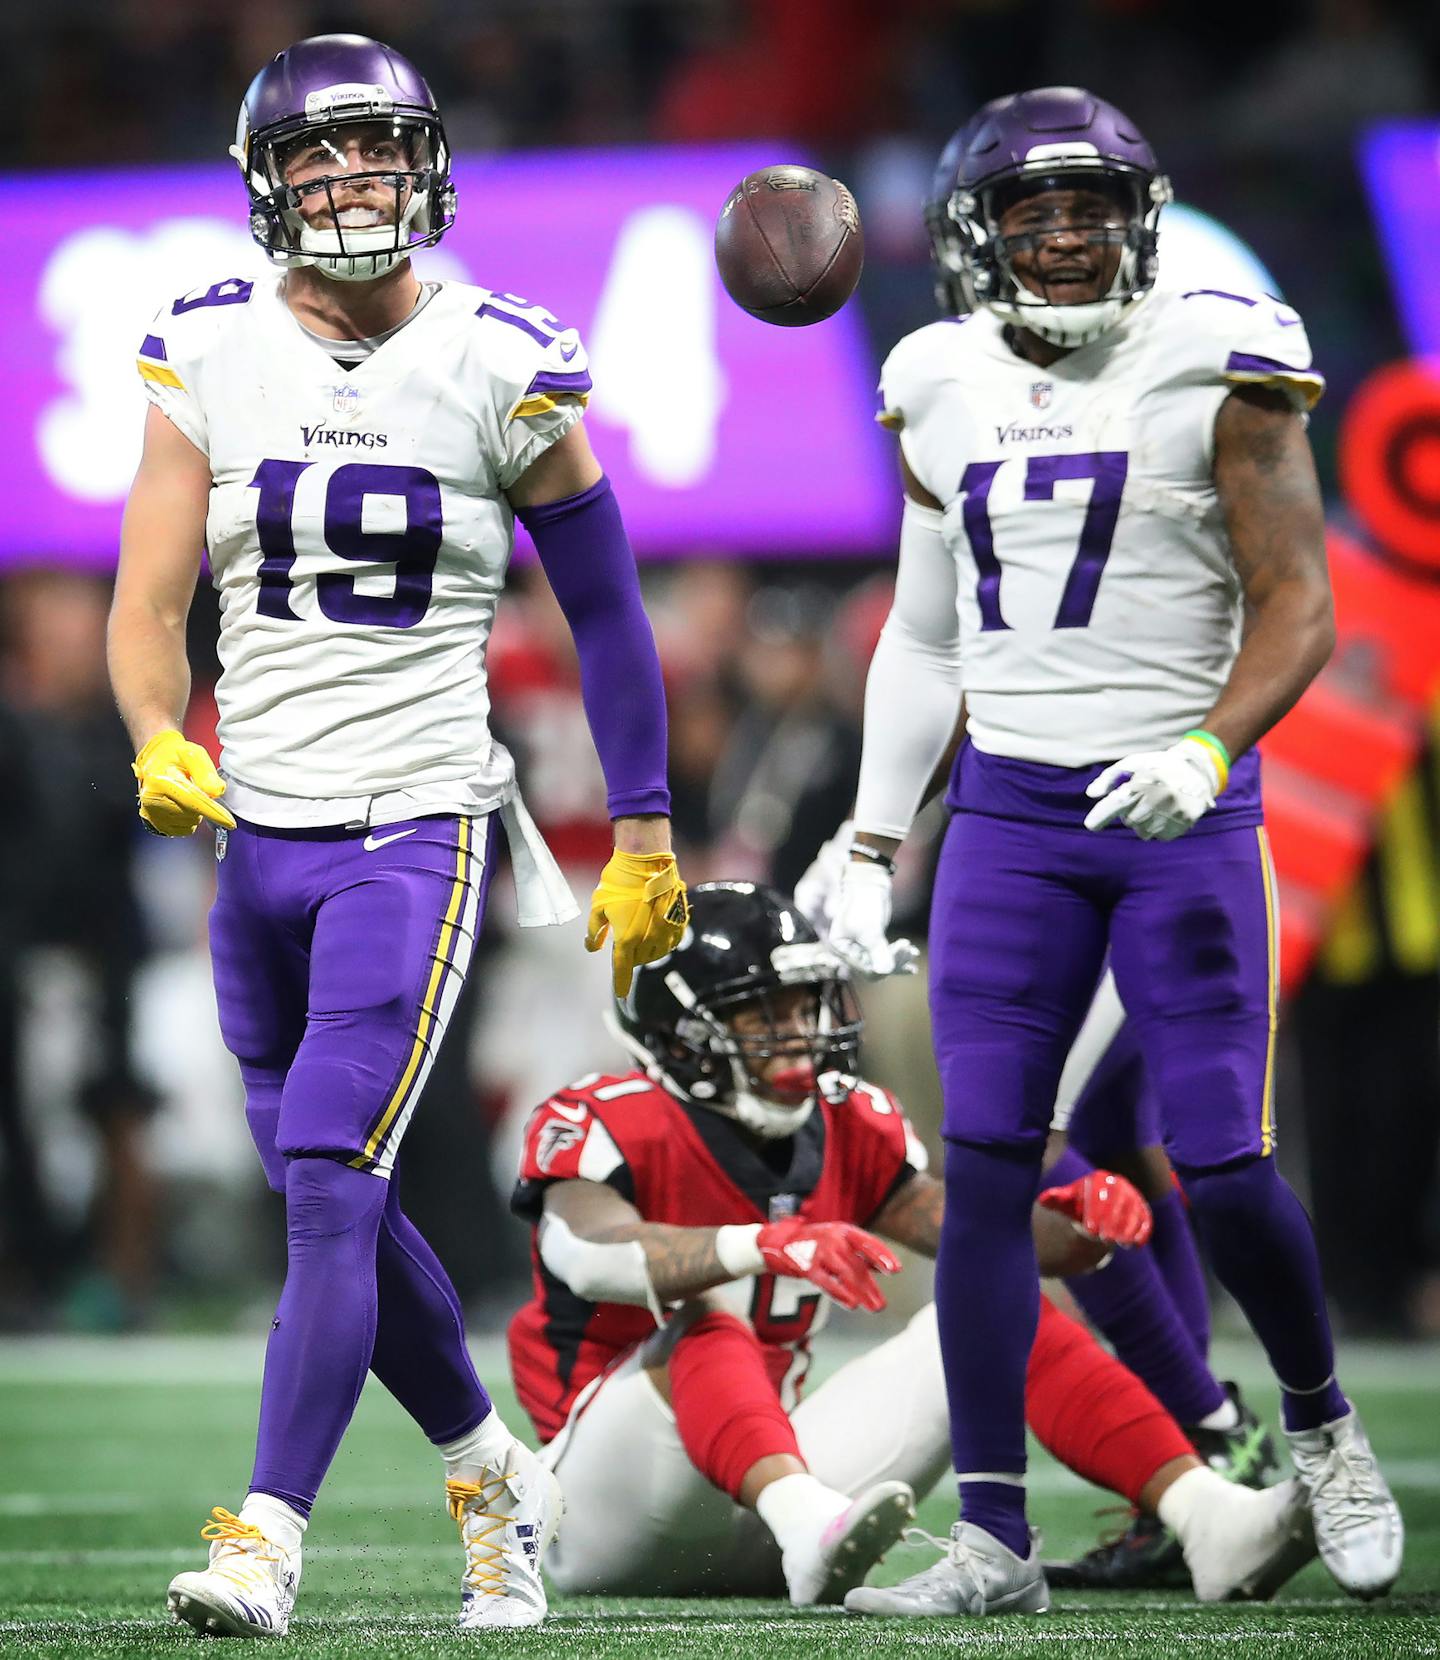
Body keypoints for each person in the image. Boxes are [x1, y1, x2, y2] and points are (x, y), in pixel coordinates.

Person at [106, 33, 688, 1638]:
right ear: (267, 184)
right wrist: (159, 734)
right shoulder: (210, 347)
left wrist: (642, 825)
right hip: (258, 841)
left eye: (377, 155)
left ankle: (264, 1536)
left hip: (413, 828)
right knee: (338, 1194)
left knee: (323, 1182)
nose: (349, 182)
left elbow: (612, 614)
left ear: (426, 170)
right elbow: (148, 603)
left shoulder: (501, 356)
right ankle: (497, 1476)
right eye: (318, 158)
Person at [822, 86, 1402, 1615]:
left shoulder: (1220, 350)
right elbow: (928, 634)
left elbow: (1301, 603)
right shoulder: (934, 376)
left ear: (1140, 223)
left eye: (1091, 209)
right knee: (998, 1176)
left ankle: (1328, 1426)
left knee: (1221, 1157)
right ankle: (999, 1541)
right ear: (978, 237)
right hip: (1011, 821)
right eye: (1033, 213)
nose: (1067, 237)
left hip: (1180, 816)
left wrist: (1209, 743)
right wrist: (874, 836)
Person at [506, 882, 1316, 1606]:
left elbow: (967, 1234)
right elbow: (589, 1251)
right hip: (611, 1510)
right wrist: (761, 1244)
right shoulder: (613, 1118)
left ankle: (1212, 1517)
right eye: (762, 1015)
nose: (797, 1035)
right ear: (678, 1034)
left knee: (990, 1302)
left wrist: (1075, 1228)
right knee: (708, 1323)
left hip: (771, 1492)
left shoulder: (842, 1120)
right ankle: (809, 1525)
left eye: (802, 1008)